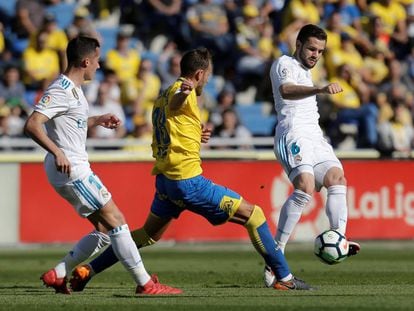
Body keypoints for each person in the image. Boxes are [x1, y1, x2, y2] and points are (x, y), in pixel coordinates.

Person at [68, 47, 312, 292]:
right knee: (255, 216)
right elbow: (178, 103)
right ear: (198, 73)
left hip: (166, 181)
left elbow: (172, 122)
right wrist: (185, 94)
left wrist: (197, 132)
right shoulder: (180, 92)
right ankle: (284, 278)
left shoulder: (162, 96)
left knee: (147, 235)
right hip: (188, 182)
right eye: (207, 75)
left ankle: (88, 270)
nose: (208, 79)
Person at [23, 36, 181, 295]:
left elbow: (69, 122)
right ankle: (146, 284)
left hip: (69, 166)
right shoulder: (60, 89)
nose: (98, 66)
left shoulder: (73, 90)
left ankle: (59, 273)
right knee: (118, 221)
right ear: (85, 61)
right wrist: (57, 151)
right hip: (71, 168)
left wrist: (96, 120)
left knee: (106, 230)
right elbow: (32, 124)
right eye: (97, 61)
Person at [263, 24, 361, 287]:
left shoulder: (309, 73)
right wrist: (319, 89)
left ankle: (339, 237)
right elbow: (286, 91)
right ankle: (275, 258)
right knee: (305, 187)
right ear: (298, 45)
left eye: (320, 51)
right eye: (311, 48)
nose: (316, 55)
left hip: (316, 138)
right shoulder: (284, 64)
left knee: (337, 178)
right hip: (292, 134)